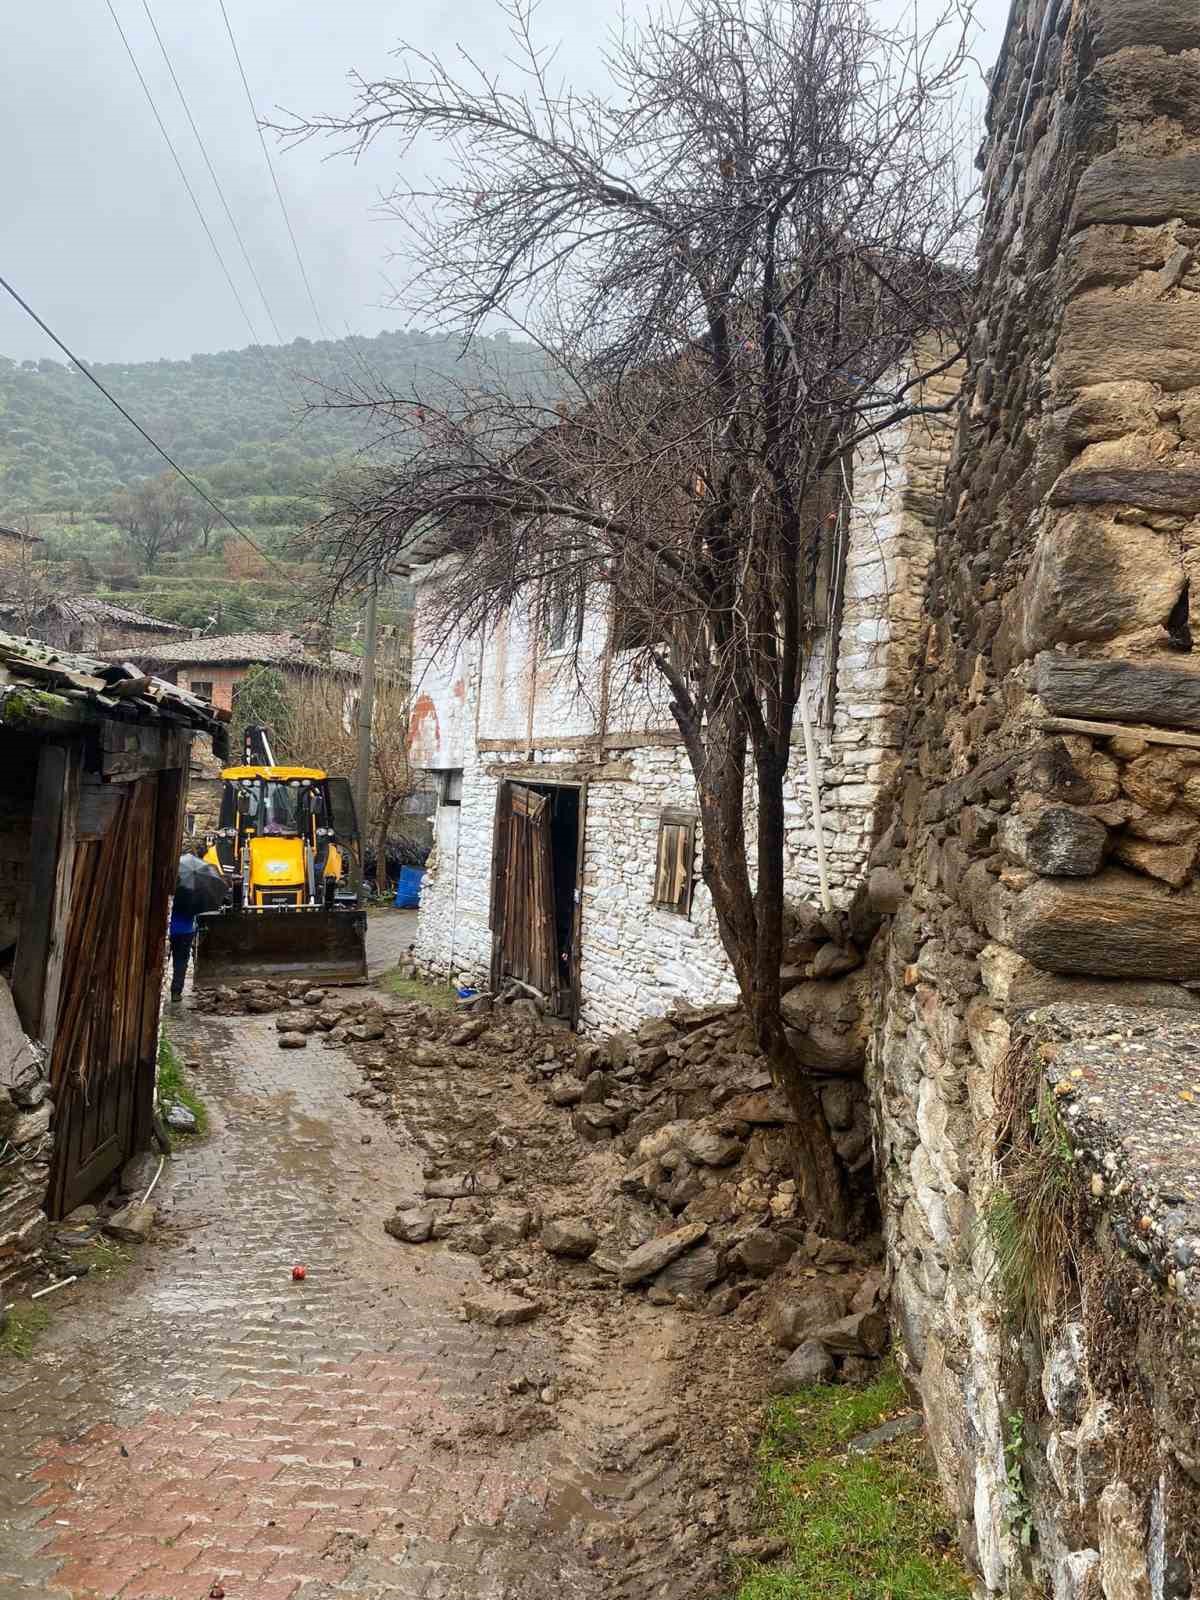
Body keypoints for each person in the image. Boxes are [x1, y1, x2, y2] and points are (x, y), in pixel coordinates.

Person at [168, 855, 200, 1002]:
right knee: (180, 962)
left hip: (170, 930)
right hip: (186, 932)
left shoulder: (171, 891)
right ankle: (176, 991)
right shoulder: (193, 894)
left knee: (164, 960)